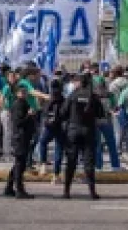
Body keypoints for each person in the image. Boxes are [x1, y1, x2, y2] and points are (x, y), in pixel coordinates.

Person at [60, 72, 103, 200]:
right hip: (88, 131)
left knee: (71, 162)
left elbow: (63, 112)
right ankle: (92, 192)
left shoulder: (73, 95)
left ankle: (66, 191)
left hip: (73, 130)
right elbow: (100, 113)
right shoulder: (93, 96)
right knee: (89, 162)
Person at [4, 84, 35, 199]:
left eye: (25, 91)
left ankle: (9, 187)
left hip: (23, 137)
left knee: (19, 164)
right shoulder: (18, 104)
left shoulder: (23, 103)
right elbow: (19, 122)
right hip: (20, 138)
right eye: (21, 92)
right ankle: (19, 190)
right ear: (17, 93)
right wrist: (29, 115)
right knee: (19, 165)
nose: (24, 93)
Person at [38, 79, 65, 184]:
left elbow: (44, 111)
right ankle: (56, 175)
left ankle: (43, 163)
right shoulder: (63, 99)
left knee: (43, 143)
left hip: (49, 127)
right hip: (60, 127)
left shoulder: (49, 98)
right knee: (58, 150)